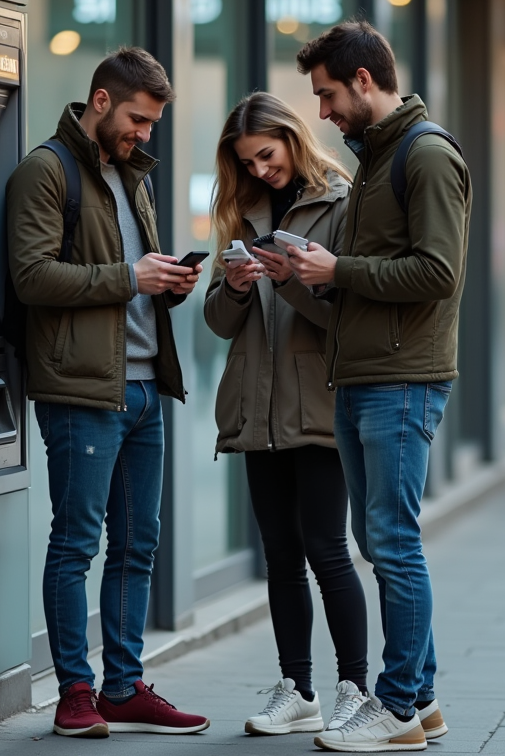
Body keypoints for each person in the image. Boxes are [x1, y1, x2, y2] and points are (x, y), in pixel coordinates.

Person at [6, 47, 208, 739]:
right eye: (137, 119)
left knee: (137, 545)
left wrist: (168, 284)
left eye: (151, 123)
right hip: (84, 391)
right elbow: (32, 278)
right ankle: (75, 694)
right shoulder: (46, 170)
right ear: (100, 101)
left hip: (147, 387)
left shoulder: (132, 175)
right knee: (76, 543)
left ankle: (124, 686)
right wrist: (130, 277)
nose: (144, 133)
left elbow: (129, 281)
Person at [287, 20, 471, 752]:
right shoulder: (376, 159)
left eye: (328, 95)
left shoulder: (424, 156)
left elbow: (438, 273)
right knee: (378, 539)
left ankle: (394, 707)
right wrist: (306, 273)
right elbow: (372, 279)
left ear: (364, 80)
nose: (323, 113)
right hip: (365, 373)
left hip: (403, 378)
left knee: (393, 545)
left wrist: (339, 270)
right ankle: (421, 702)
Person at [202, 92, 370, 736]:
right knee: (279, 555)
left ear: (293, 140)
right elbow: (219, 324)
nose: (260, 171)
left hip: (319, 403)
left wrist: (293, 283)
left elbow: (347, 321)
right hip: (257, 408)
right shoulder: (242, 210)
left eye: (266, 156)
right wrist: (238, 286)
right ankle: (297, 689)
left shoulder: (342, 202)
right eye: (247, 162)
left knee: (328, 550)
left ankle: (356, 688)